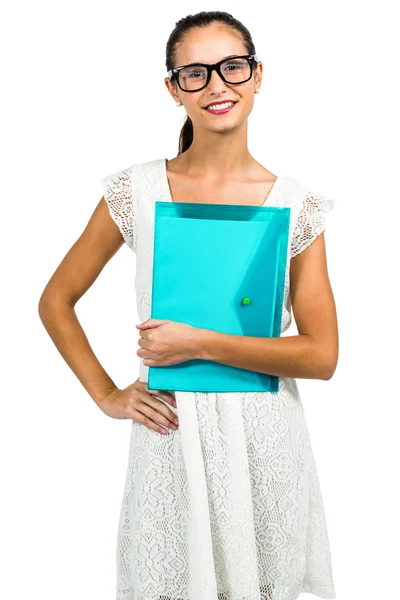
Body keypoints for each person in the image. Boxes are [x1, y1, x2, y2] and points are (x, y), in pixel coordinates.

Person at [38, 10, 338, 600]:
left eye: (231, 67)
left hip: (266, 439)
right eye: (195, 73)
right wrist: (107, 394)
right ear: (173, 88)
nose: (216, 85)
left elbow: (321, 355)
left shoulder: (295, 207)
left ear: (257, 75)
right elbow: (56, 300)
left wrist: (198, 342)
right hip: (171, 432)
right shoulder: (137, 191)